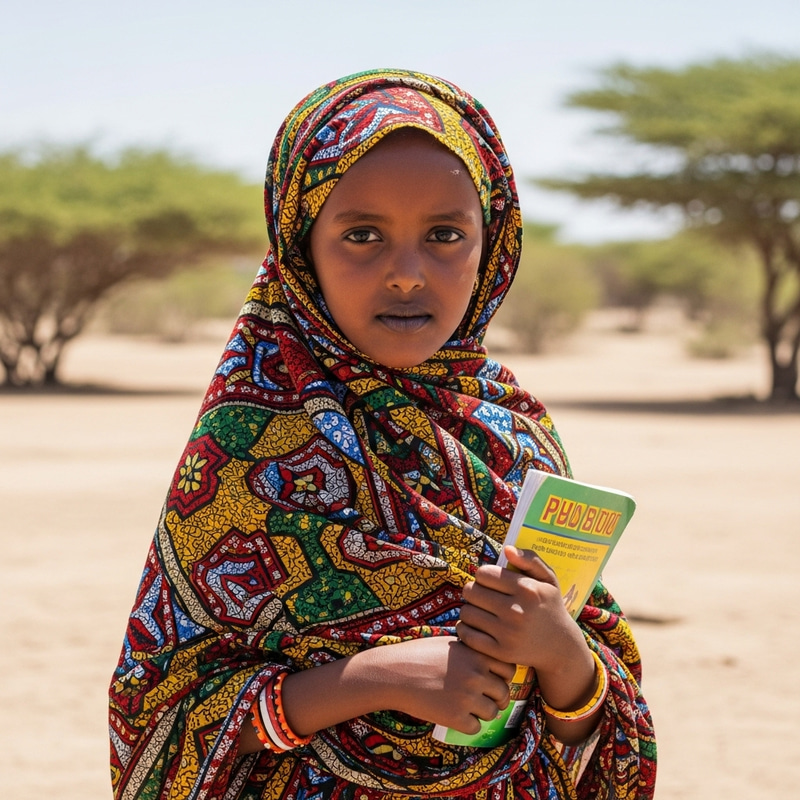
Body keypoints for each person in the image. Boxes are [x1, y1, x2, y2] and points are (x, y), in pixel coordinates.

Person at [109, 68, 656, 799]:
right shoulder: (247, 443)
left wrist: (565, 659)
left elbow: (591, 721)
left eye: (445, 235)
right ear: (303, 247)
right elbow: (155, 715)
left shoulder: (514, 437)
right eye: (362, 235)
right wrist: (373, 679)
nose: (406, 273)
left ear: (491, 246)